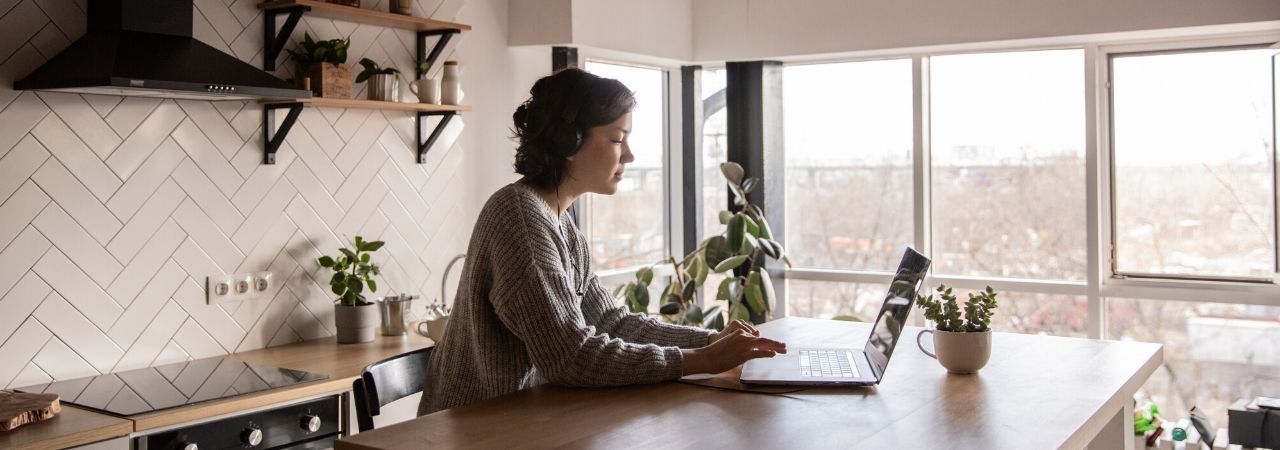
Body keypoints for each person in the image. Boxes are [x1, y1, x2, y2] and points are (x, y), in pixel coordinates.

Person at [418, 68, 787, 415]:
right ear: (568, 142)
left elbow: (611, 322)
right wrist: (701, 361)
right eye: (617, 139)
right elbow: (569, 356)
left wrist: (709, 341)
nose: (629, 155)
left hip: (523, 420)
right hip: (472, 430)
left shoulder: (559, 223)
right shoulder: (520, 219)